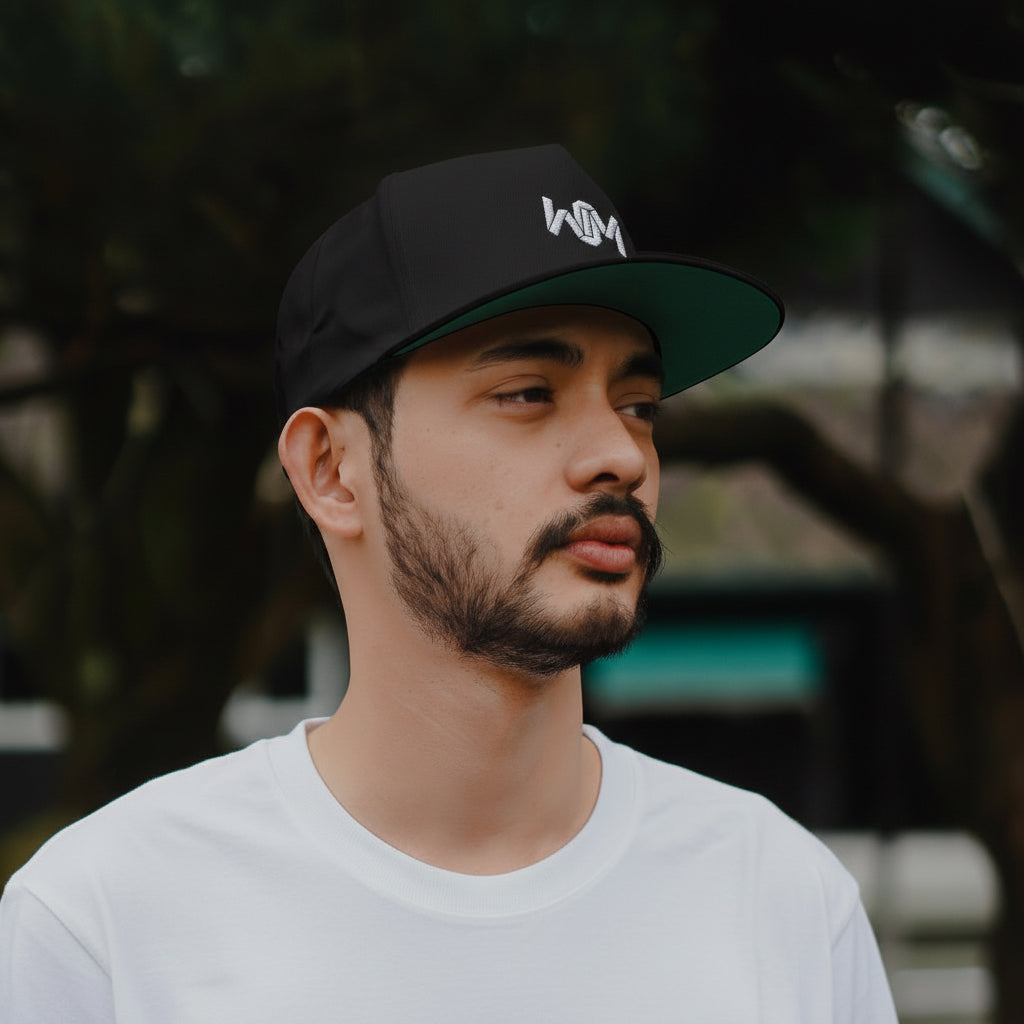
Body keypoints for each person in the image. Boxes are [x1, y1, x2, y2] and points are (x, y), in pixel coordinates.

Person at [0, 144, 898, 1022]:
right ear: (330, 471)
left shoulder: (783, 906)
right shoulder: (104, 929)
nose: (621, 456)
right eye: (527, 393)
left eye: (639, 404)